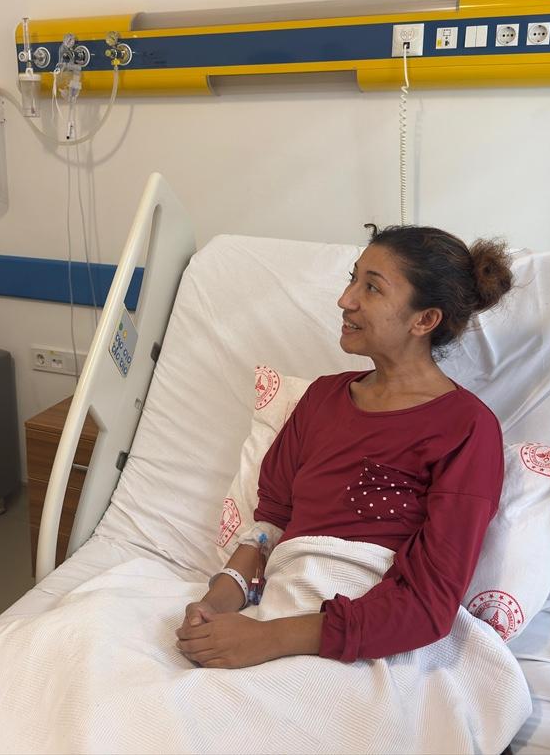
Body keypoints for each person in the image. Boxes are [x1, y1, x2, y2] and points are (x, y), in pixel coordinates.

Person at [176, 223, 513, 668]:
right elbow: (269, 527)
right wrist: (215, 604)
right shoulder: (321, 399)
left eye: (371, 288)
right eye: (352, 279)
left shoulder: (466, 428)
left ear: (424, 320)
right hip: (282, 606)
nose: (345, 300)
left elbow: (429, 604)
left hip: (372, 638)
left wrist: (269, 638)